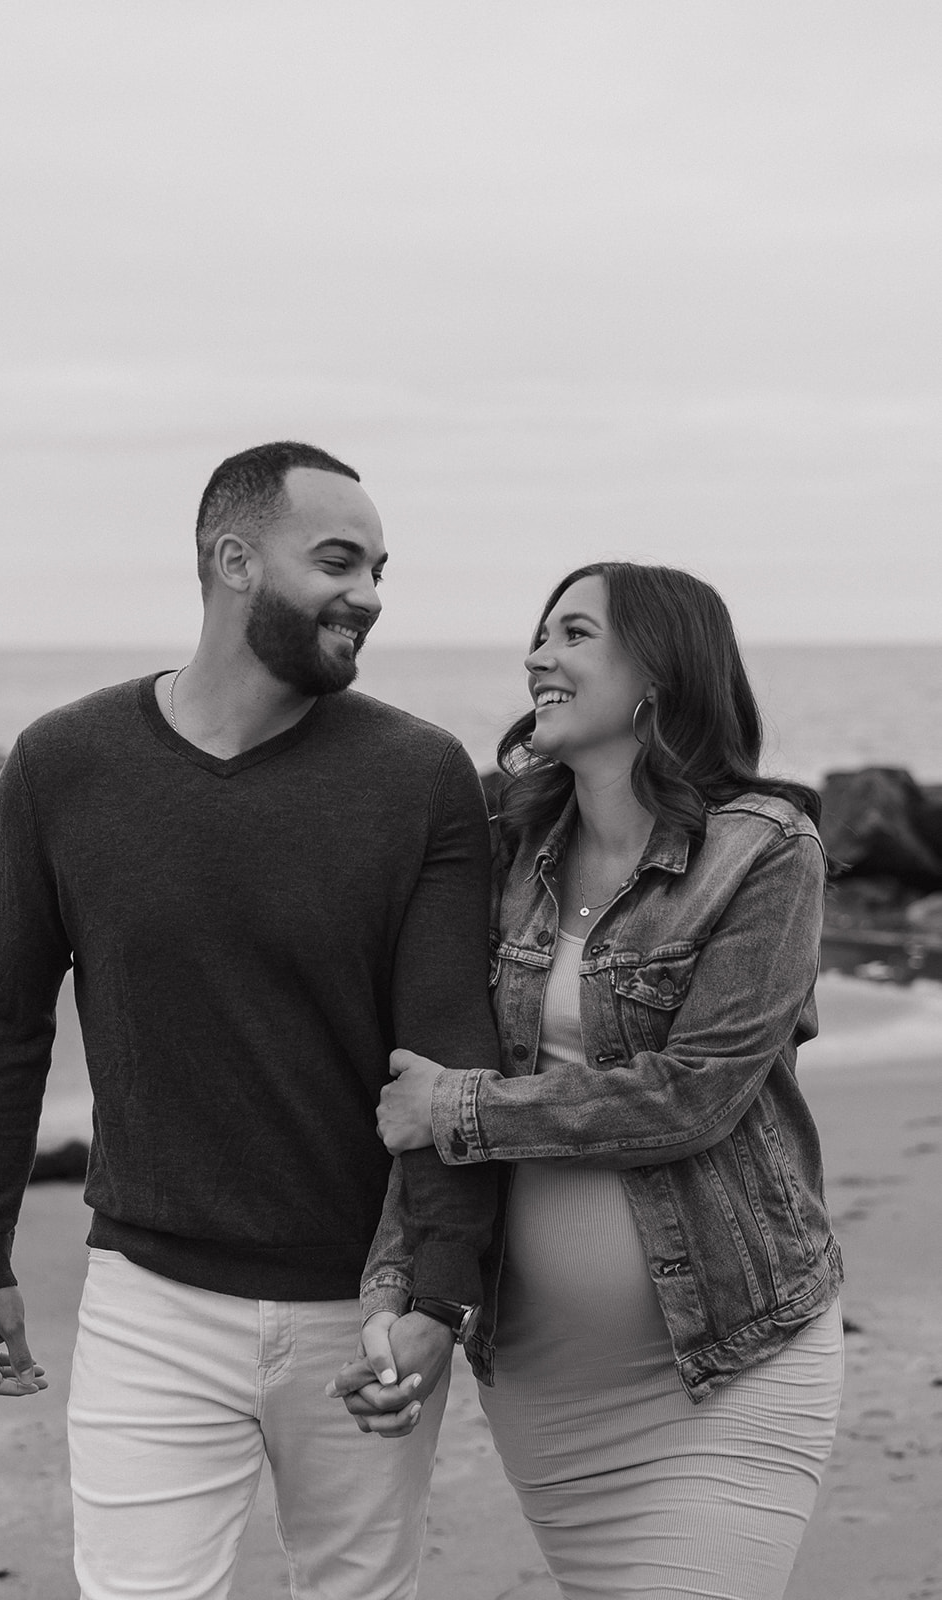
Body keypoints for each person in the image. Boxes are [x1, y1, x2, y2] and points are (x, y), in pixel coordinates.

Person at [0, 440, 498, 1600]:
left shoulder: (419, 774)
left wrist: (440, 1299)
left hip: (367, 1304)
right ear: (233, 560)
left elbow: (451, 1058)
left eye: (380, 567)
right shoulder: (65, 762)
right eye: (337, 560)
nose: (371, 595)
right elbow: (4, 1016)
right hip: (150, 1299)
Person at [335, 561, 844, 1600]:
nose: (536, 657)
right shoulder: (501, 856)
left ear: (656, 674)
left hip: (729, 1355)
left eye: (572, 635)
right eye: (538, 635)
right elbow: (422, 1091)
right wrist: (396, 1289)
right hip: (545, 1383)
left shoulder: (761, 852)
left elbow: (690, 1092)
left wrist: (458, 1109)